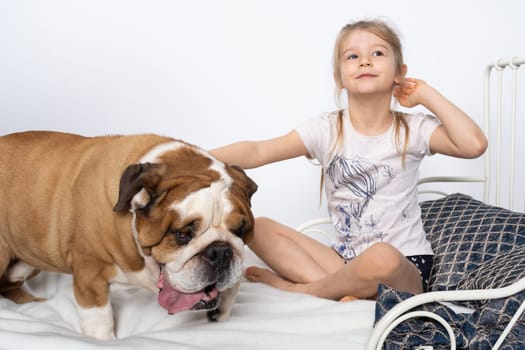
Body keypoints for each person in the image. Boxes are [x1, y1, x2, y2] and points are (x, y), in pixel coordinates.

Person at [210, 19, 487, 301]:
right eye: (353, 56)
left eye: (378, 53)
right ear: (339, 77)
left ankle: (303, 289)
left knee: (381, 256)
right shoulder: (325, 128)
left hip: (402, 266)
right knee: (258, 225)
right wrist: (194, 155)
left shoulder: (413, 129)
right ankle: (343, 290)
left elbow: (473, 145)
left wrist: (425, 94)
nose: (365, 62)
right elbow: (258, 151)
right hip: (342, 262)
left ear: (399, 72)